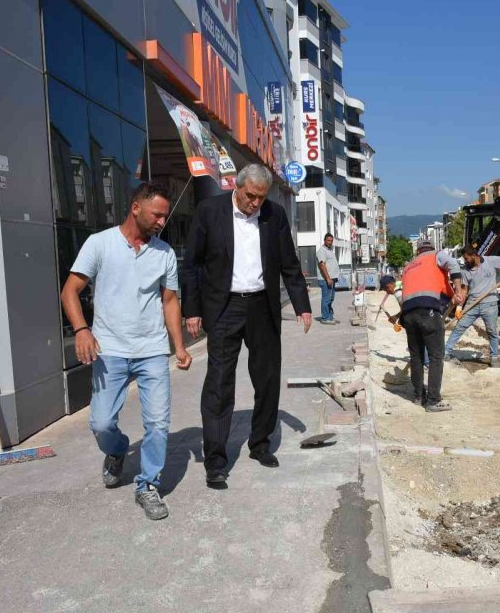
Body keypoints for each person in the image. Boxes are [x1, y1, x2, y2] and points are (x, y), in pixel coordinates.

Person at [61, 182, 192, 521]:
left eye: (165, 215)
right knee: (102, 423)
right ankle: (118, 450)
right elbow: (70, 291)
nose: (162, 221)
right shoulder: (99, 244)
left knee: (159, 424)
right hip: (110, 350)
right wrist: (81, 330)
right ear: (135, 207)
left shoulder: (164, 253)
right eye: (157, 214)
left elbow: (170, 300)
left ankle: (147, 484)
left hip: (151, 350)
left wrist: (178, 346)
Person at [184, 164, 312, 488]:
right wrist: (192, 310)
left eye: (260, 198)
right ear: (236, 187)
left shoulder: (274, 215)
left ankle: (260, 444)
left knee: (267, 378)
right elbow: (192, 265)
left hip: (262, 306)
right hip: (224, 307)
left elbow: (288, 262)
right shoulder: (210, 210)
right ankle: (215, 460)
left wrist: (302, 305)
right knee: (219, 382)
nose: (255, 204)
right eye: (250, 196)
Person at [399, 239, 463, 412]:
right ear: (431, 249)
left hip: (408, 314)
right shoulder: (436, 256)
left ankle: (418, 396)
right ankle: (433, 400)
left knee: (417, 356)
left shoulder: (409, 266)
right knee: (436, 356)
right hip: (427, 311)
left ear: (418, 251)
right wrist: (458, 291)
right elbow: (454, 265)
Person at [444, 245, 500, 367]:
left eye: (466, 258)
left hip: (490, 302)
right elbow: (464, 290)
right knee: (459, 327)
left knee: (491, 331)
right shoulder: (465, 270)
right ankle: (446, 351)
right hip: (472, 304)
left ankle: (494, 357)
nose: (465, 261)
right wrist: (460, 307)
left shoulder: (489, 261)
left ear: (474, 255)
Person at [316, 233, 340, 324]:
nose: (330, 242)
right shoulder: (322, 251)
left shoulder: (329, 250)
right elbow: (322, 265)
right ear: (324, 240)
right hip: (326, 279)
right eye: (328, 240)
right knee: (326, 298)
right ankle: (325, 318)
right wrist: (328, 278)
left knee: (331, 298)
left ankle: (330, 317)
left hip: (331, 279)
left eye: (331, 241)